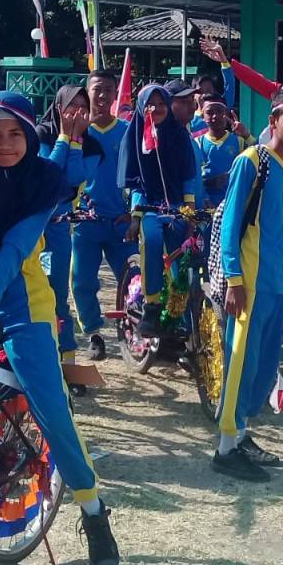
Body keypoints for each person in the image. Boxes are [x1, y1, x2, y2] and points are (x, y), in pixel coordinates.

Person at [0, 91, 119, 565]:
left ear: (32, 135)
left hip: (22, 305)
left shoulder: (44, 180)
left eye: (16, 133)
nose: (6, 144)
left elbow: (17, 246)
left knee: (52, 413)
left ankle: (93, 511)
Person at [215, 88, 283, 481]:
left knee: (264, 367)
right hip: (250, 283)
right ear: (273, 121)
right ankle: (225, 449)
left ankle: (240, 435)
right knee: (242, 363)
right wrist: (234, 279)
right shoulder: (251, 161)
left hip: (276, 282)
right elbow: (230, 223)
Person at [118, 84, 197, 337]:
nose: (157, 109)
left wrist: (189, 214)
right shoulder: (135, 137)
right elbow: (136, 184)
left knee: (181, 254)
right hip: (149, 208)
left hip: (177, 207)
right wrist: (135, 218)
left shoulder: (180, 135)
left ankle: (180, 316)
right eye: (151, 105)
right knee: (151, 240)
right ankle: (151, 307)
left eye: (162, 104)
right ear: (142, 107)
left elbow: (188, 177)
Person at [71, 69, 138, 362]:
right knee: (83, 281)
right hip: (85, 223)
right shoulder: (77, 131)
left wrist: (133, 211)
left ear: (115, 94)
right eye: (97, 89)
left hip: (120, 222)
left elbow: (140, 175)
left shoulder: (127, 132)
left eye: (108, 89)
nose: (102, 95)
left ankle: (135, 330)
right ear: (87, 92)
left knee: (133, 279)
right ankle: (94, 334)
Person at [36, 85, 93, 363]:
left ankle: (66, 359)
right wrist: (63, 137)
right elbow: (48, 175)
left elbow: (73, 178)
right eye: (72, 106)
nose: (77, 113)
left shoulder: (88, 143)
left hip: (59, 229)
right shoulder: (40, 135)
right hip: (33, 228)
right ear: (59, 108)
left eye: (83, 108)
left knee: (58, 293)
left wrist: (75, 141)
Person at [196, 94, 250, 208]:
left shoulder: (239, 141)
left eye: (219, 111)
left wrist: (247, 136)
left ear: (226, 114)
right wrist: (209, 183)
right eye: (209, 112)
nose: (215, 116)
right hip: (206, 206)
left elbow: (260, 159)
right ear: (203, 116)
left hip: (232, 204)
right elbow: (192, 178)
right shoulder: (197, 143)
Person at [166, 79, 207, 209]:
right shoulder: (164, 140)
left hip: (194, 215)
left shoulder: (189, 138)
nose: (192, 107)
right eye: (184, 102)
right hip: (174, 215)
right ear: (168, 104)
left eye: (192, 101)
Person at [191, 49, 236, 134]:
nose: (204, 95)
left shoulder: (222, 108)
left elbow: (230, 84)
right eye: (200, 91)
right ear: (193, 95)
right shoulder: (188, 118)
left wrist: (223, 61)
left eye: (208, 90)